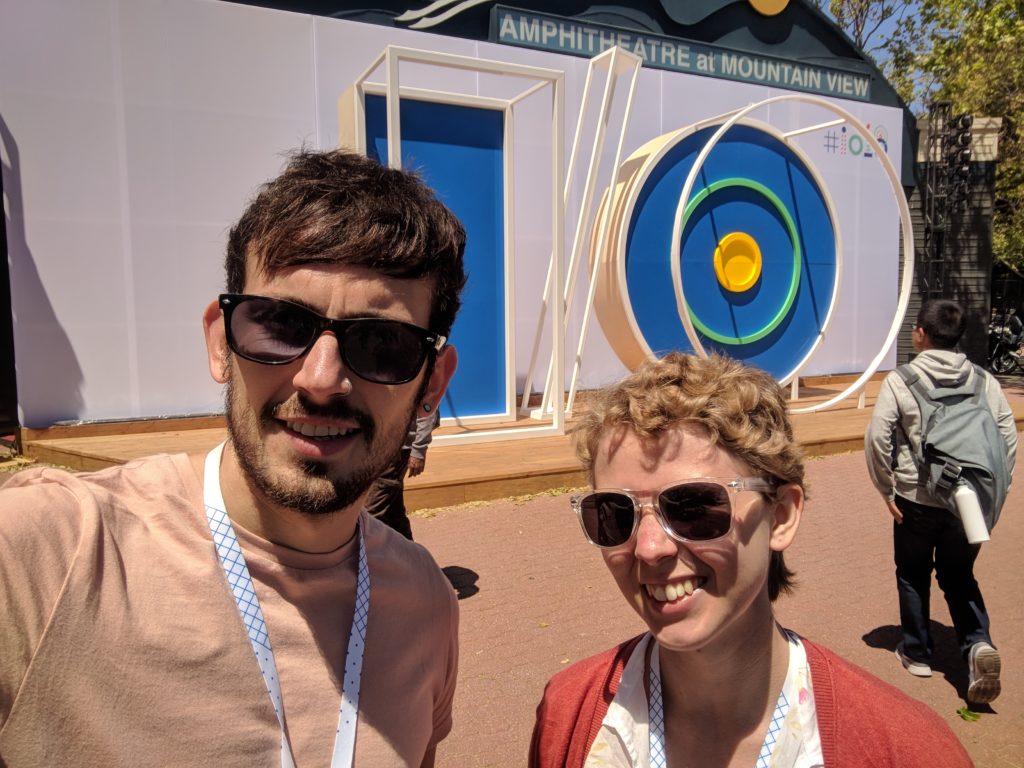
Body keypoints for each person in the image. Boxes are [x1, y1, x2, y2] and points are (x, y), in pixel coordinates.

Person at [0, 149, 466, 766]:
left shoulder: (425, 603)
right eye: (278, 324)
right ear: (222, 344)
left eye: (381, 342)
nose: (321, 378)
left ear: (432, 384)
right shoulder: (48, 553)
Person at [531, 352, 971, 767]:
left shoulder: (905, 749)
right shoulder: (568, 715)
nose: (649, 548)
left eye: (692, 508)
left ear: (780, 515)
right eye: (613, 513)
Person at [866, 299, 1016, 704]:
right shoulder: (984, 379)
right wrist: (994, 491)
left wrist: (886, 487)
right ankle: (977, 644)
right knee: (959, 576)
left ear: (921, 334)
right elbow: (1007, 436)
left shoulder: (902, 380)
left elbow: (878, 438)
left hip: (915, 498)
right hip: (967, 504)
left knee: (912, 572)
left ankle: (916, 652)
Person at [364, 409, 440, 540]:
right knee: (394, 510)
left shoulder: (421, 387)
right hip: (377, 447)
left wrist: (418, 451)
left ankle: (371, 557)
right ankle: (409, 554)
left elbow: (428, 412)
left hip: (397, 450)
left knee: (372, 512)